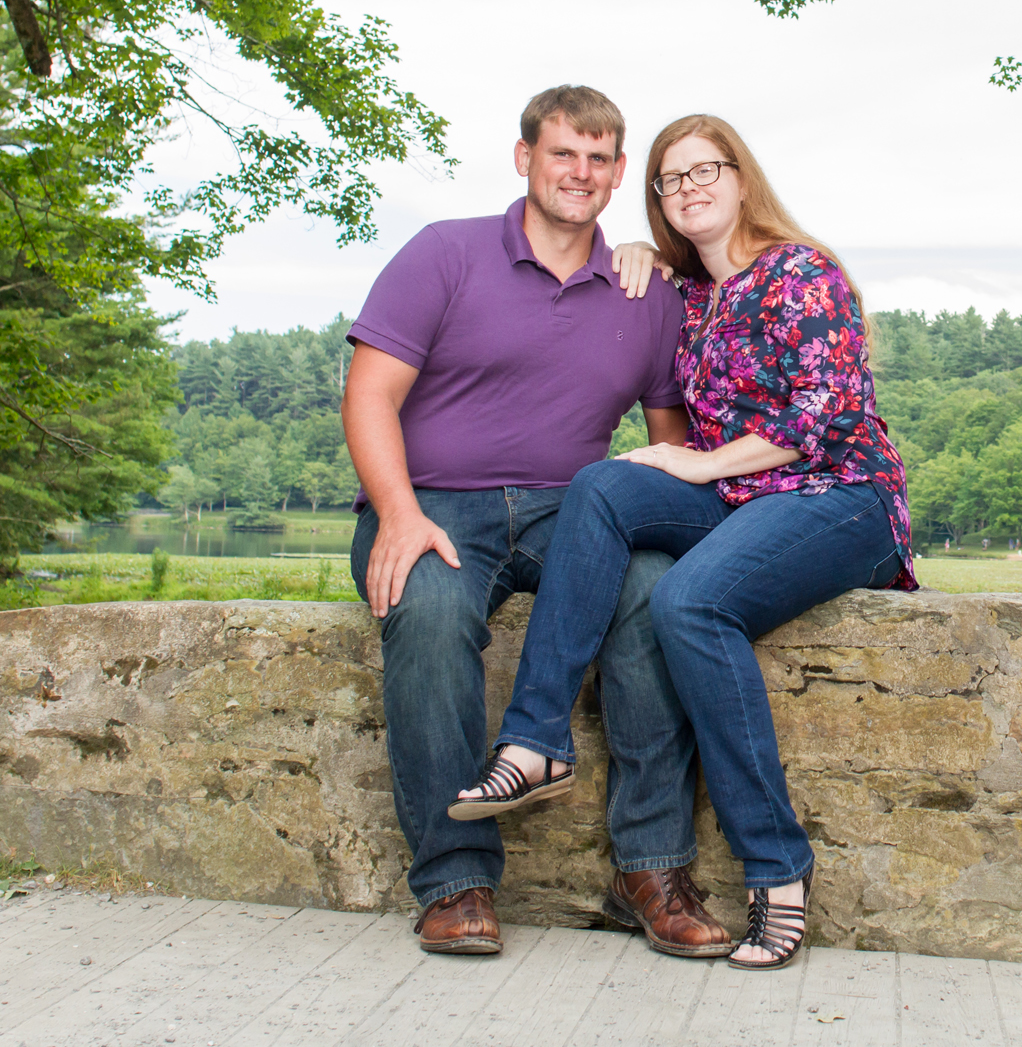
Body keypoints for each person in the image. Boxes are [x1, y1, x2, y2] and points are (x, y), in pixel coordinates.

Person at [450, 113, 913, 971]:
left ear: (744, 178)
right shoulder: (688, 294)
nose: (692, 187)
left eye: (709, 170)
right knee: (603, 484)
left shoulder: (800, 272)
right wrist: (640, 253)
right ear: (657, 196)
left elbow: (819, 420)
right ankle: (536, 741)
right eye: (672, 178)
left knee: (688, 599)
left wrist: (692, 465)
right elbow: (652, 281)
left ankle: (779, 870)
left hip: (841, 496)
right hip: (747, 499)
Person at [342, 85, 734, 960]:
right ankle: (455, 879)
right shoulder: (444, 253)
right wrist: (398, 513)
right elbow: (369, 393)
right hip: (437, 499)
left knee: (652, 593)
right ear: (525, 157)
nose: (580, 173)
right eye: (563, 153)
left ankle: (653, 870)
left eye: (598, 160)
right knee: (433, 608)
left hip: (574, 511)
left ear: (619, 173)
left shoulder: (645, 290)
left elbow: (669, 444)